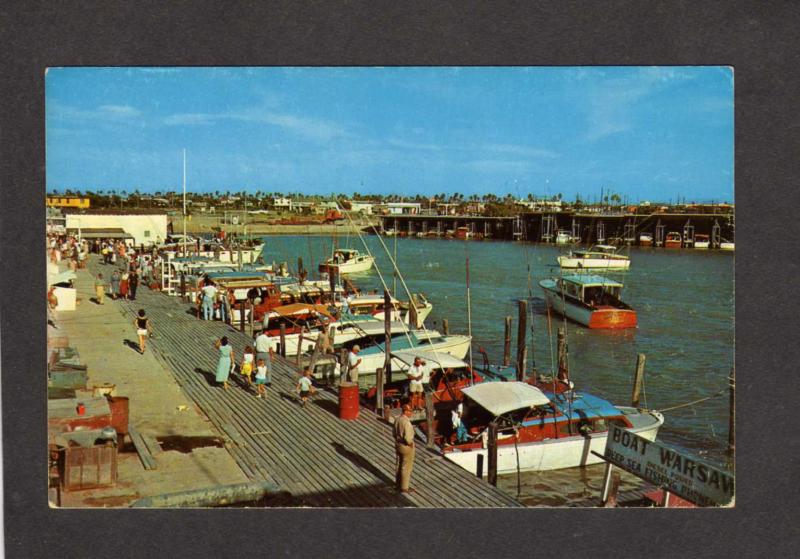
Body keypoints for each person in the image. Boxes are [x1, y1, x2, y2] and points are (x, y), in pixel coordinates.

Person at [394, 403, 416, 494]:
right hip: (406, 446)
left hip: (398, 444)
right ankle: (404, 487)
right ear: (406, 411)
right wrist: (410, 443)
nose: (411, 413)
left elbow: (393, 433)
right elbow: (407, 438)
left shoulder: (397, 420)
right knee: (406, 467)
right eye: (410, 411)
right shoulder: (406, 423)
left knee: (399, 464)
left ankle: (398, 484)